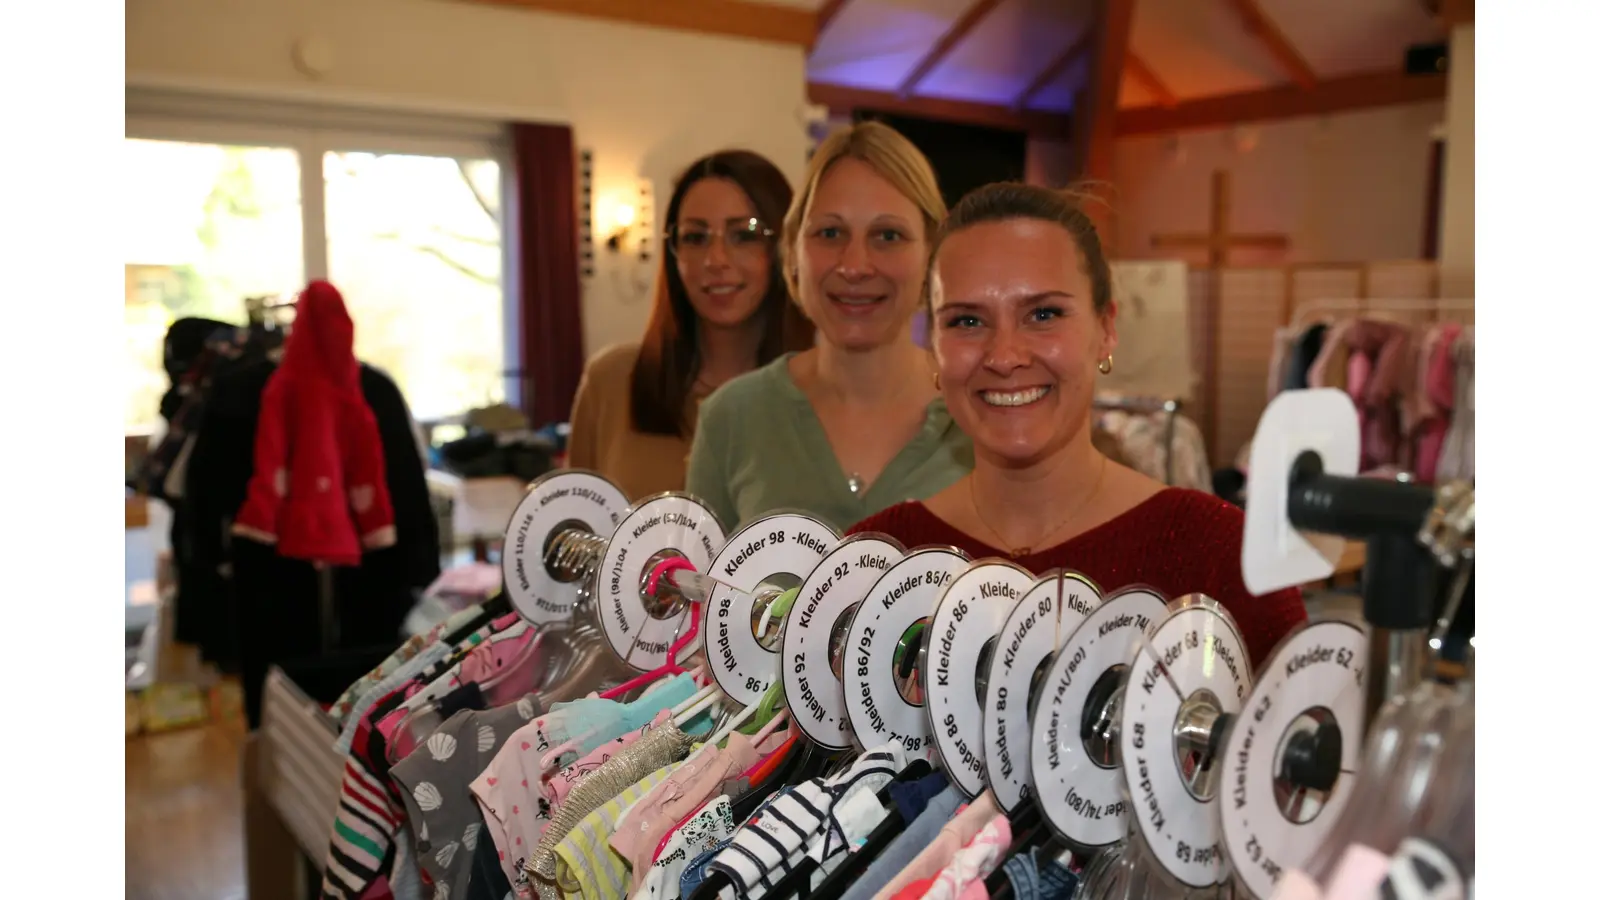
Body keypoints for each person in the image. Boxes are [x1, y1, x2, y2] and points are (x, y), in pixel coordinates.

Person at [847, 182, 1305, 668]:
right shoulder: (879, 562)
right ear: (934, 347)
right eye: (966, 322)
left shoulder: (1218, 554)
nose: (1004, 356)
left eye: (1043, 314)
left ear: (1106, 329)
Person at [686, 122, 973, 532]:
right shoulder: (730, 420)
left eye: (888, 235)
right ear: (794, 251)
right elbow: (697, 591)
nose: (854, 265)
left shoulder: (978, 416)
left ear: (932, 253)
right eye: (830, 232)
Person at [566, 150, 811, 501]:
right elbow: (571, 539)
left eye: (743, 235)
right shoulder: (612, 382)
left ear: (785, 248)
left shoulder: (819, 392)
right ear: (673, 253)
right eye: (695, 237)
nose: (715, 260)